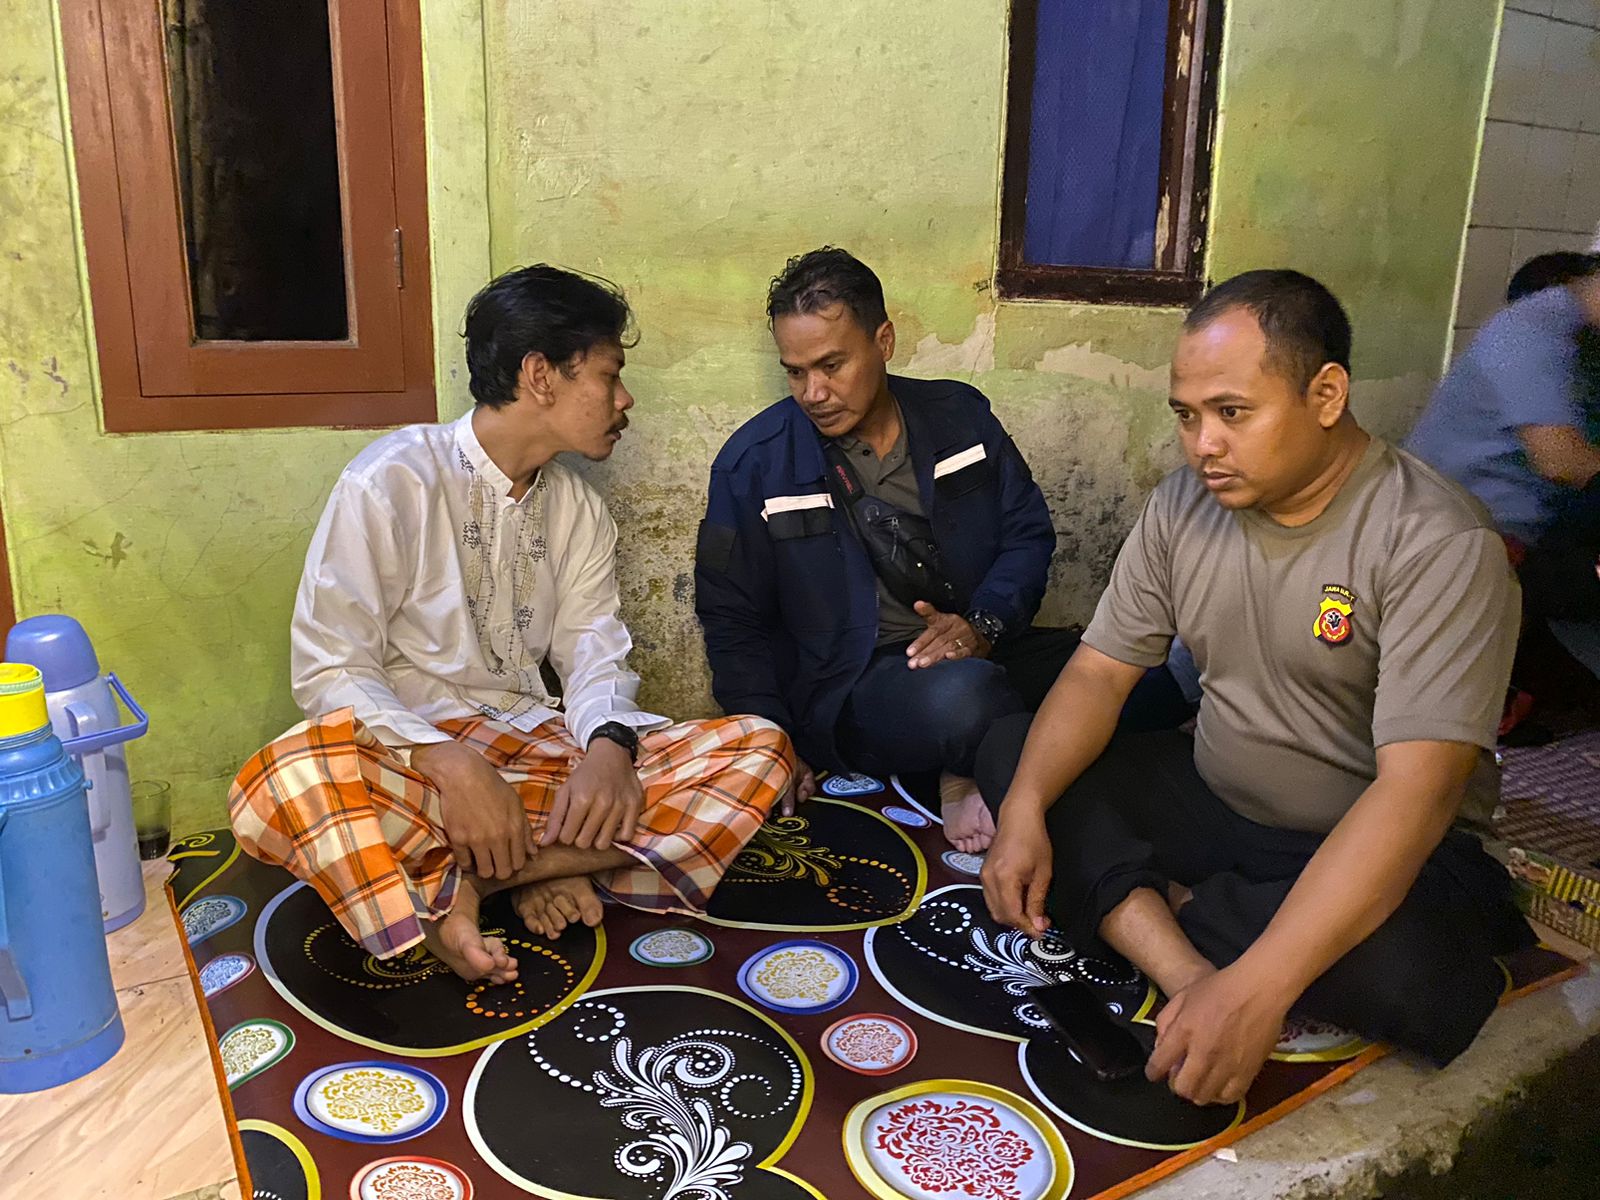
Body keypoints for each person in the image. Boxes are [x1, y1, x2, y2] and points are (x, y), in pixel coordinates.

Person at [978, 270, 1530, 1106]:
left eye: (1232, 413)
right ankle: (1190, 957)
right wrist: (1022, 811)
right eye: (1186, 416)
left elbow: (1416, 793)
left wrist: (1264, 984)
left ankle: (1157, 907)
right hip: (1215, 800)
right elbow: (1096, 673)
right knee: (1013, 752)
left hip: (1378, 839)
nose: (1203, 444)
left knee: (1410, 978)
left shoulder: (1436, 541)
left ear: (1326, 395)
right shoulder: (1182, 509)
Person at [229, 266, 792, 983]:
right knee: (284, 777)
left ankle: (473, 884)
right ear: (541, 375)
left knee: (760, 750)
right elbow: (330, 668)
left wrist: (609, 750)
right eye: (610, 375)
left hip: (537, 755)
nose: (624, 400)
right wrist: (452, 766)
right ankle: (559, 863)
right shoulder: (392, 480)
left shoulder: (579, 509)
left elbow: (594, 654)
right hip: (415, 762)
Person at [694, 248, 1190, 853]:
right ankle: (974, 768)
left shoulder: (960, 418)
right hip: (857, 685)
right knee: (967, 700)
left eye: (831, 365)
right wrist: (770, 741)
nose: (813, 392)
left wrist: (983, 625)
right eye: (795, 372)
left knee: (1153, 682)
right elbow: (731, 616)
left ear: (884, 341)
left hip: (987, 646)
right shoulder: (754, 463)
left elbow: (1027, 535)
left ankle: (982, 757)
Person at [1406, 253, 1600, 628]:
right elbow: (1561, 461)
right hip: (1467, 541)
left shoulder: (1583, 340)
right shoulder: (1532, 330)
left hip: (1524, 536)